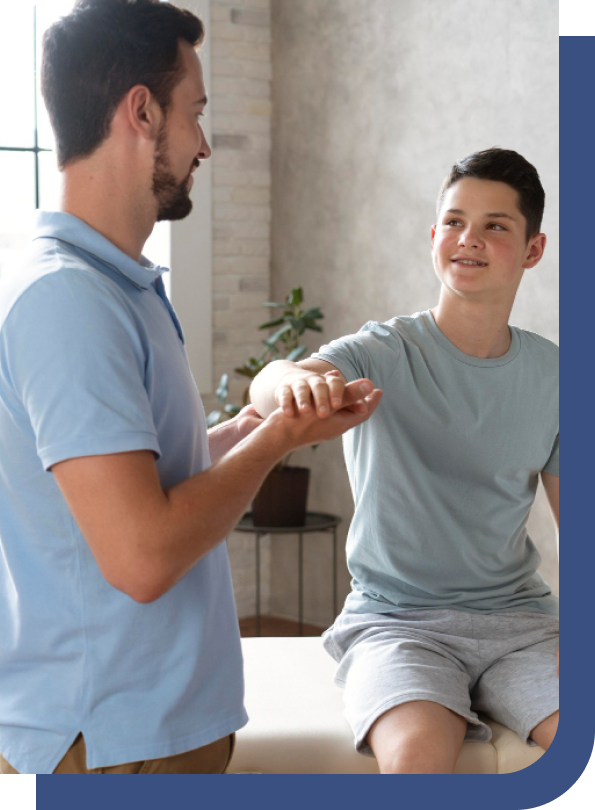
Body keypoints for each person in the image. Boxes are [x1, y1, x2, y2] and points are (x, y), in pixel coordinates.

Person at [0, 0, 382, 775]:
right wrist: (275, 442)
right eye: (195, 113)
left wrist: (251, 428)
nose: (205, 144)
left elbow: (135, 478)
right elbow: (141, 556)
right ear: (141, 112)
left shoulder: (119, 286)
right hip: (109, 742)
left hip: (154, 732)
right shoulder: (67, 299)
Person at [250, 147, 559, 774]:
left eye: (495, 225)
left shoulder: (556, 375)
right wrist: (290, 385)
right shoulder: (381, 350)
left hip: (520, 623)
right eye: (453, 221)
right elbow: (274, 380)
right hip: (398, 623)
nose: (467, 239)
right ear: (434, 235)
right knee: (417, 759)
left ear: (532, 249)